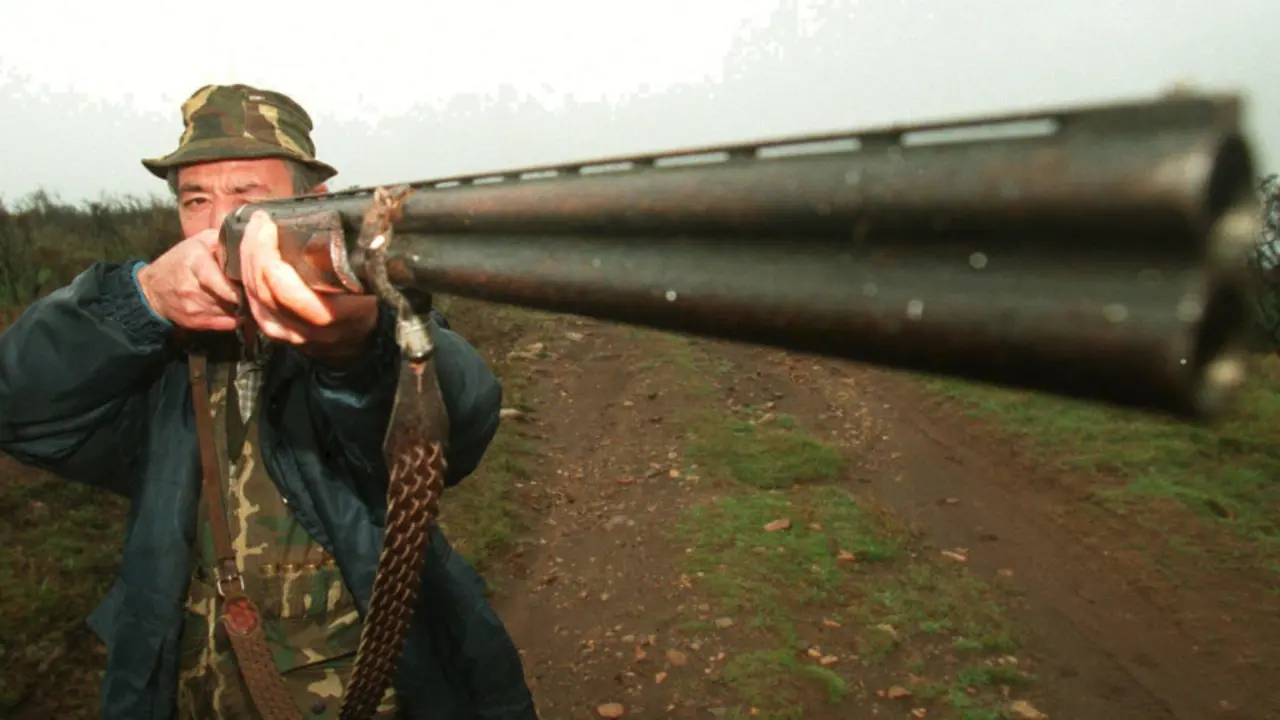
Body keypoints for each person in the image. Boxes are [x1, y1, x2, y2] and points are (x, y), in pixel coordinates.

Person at [0, 84, 537, 719]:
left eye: (247, 197)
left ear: (311, 206)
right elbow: (19, 404)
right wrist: (139, 301)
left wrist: (356, 348)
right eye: (195, 199)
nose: (218, 223)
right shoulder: (163, 357)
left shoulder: (364, 309)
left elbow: (463, 423)